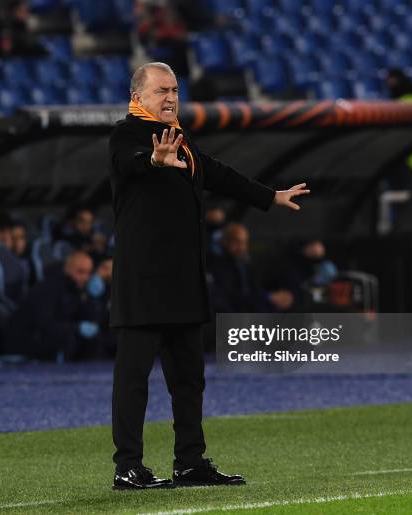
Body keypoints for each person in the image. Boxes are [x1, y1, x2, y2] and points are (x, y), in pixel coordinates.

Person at [108, 62, 309, 489]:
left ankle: (190, 462)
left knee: (189, 380)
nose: (170, 98)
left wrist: (269, 197)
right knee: (133, 379)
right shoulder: (126, 135)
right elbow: (131, 163)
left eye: (175, 90)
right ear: (137, 97)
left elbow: (218, 174)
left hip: (183, 282)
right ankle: (128, 466)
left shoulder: (182, 139)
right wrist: (154, 160)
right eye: (161, 90)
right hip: (144, 283)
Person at [2, 251, 105, 361]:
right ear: (67, 269)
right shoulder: (48, 288)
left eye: (89, 273)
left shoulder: (78, 291)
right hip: (26, 339)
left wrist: (92, 299)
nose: (85, 278)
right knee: (67, 337)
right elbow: (43, 324)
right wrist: (76, 328)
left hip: (53, 336)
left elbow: (89, 321)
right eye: (80, 272)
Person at [207, 223, 295, 313]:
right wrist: (269, 298)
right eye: (237, 242)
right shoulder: (217, 265)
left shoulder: (241, 262)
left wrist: (272, 297)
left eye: (244, 243)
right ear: (225, 242)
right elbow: (232, 297)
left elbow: (253, 289)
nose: (241, 247)